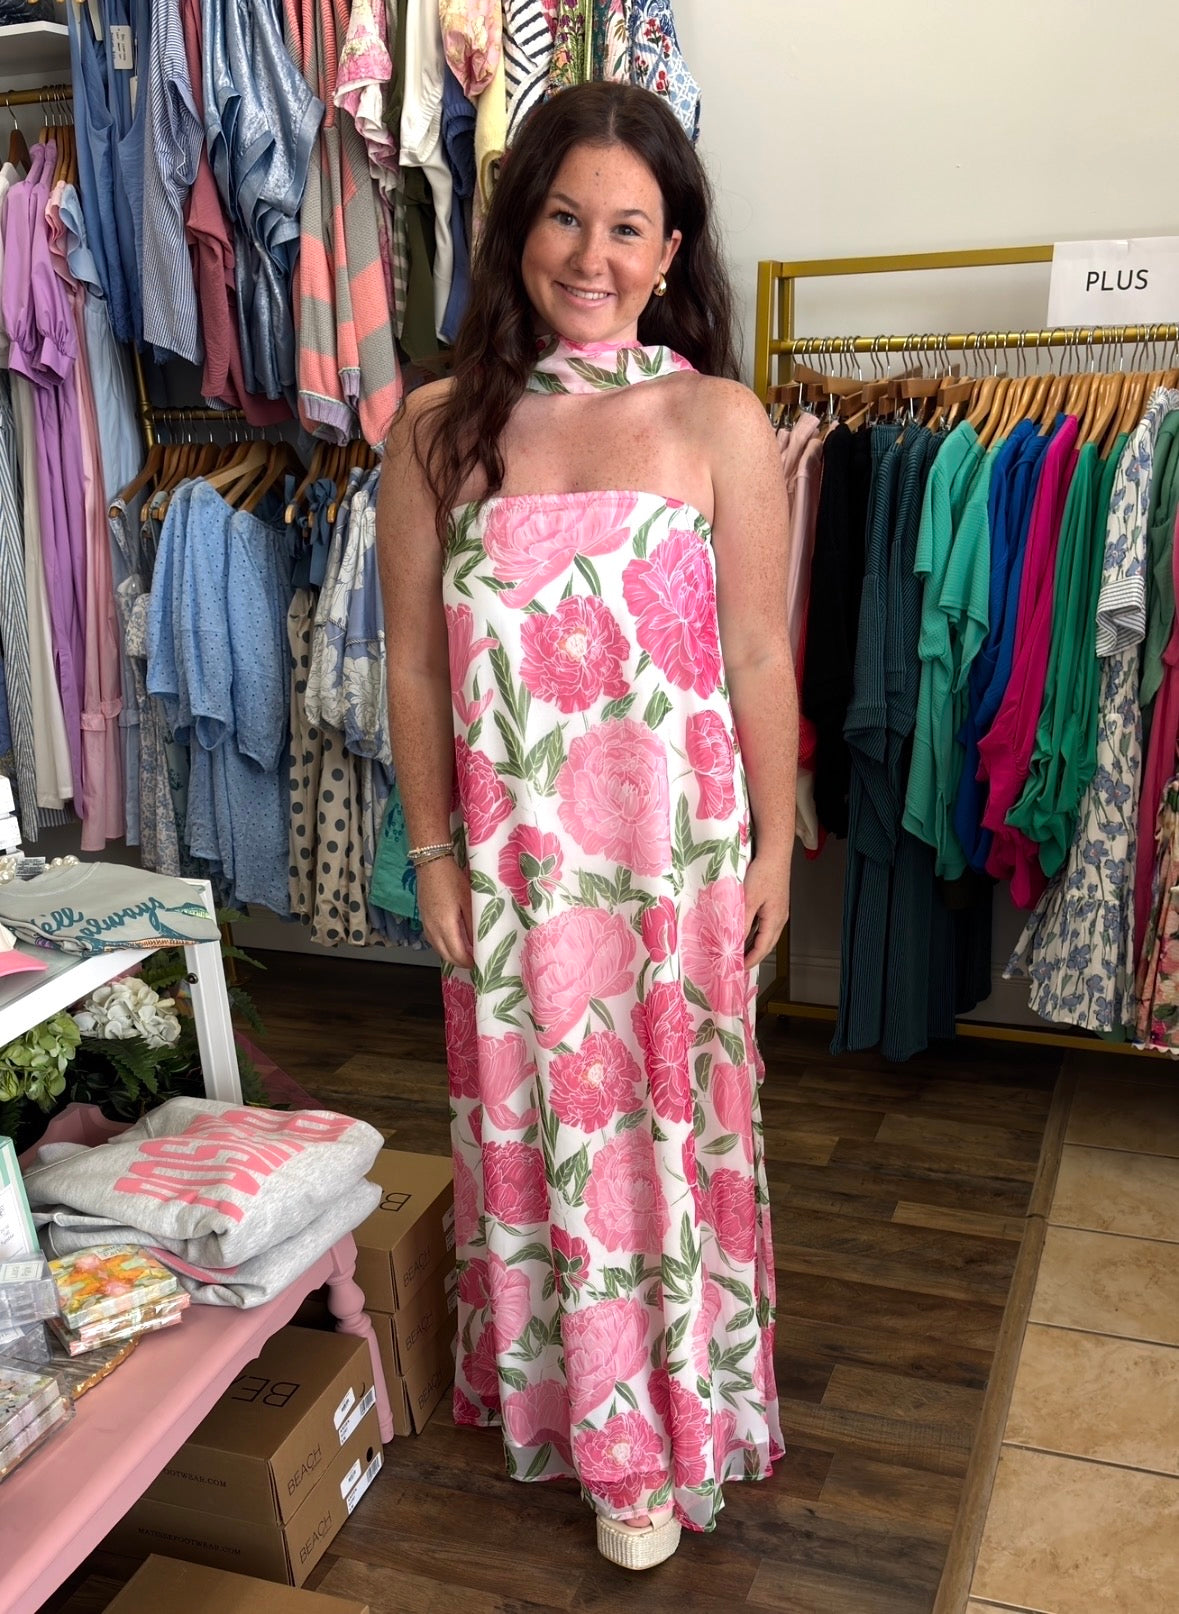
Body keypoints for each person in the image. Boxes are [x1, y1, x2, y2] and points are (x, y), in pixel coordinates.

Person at [377, 79, 796, 1571]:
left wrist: (775, 847)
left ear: (670, 251)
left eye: (627, 227)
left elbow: (759, 653)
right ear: (518, 228)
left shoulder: (717, 420)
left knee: (669, 1134)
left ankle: (671, 1430)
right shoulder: (436, 431)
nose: (591, 254)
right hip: (513, 874)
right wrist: (432, 852)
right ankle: (592, 1427)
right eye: (565, 216)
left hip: (672, 872)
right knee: (543, 1131)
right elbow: (413, 666)